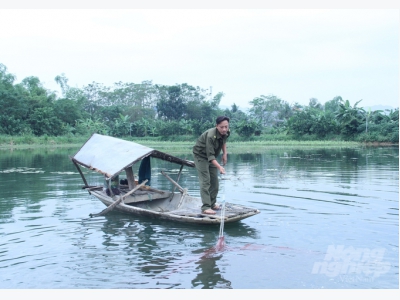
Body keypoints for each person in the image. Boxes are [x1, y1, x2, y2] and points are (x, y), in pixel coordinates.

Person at [192, 116, 230, 215]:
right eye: (222, 127)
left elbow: (223, 142)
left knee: (215, 182)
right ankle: (206, 207)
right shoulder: (210, 136)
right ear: (216, 126)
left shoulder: (226, 132)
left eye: (226, 126)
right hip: (201, 156)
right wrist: (220, 167)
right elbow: (210, 156)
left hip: (212, 157)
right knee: (206, 181)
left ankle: (212, 204)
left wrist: (225, 153)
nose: (224, 129)